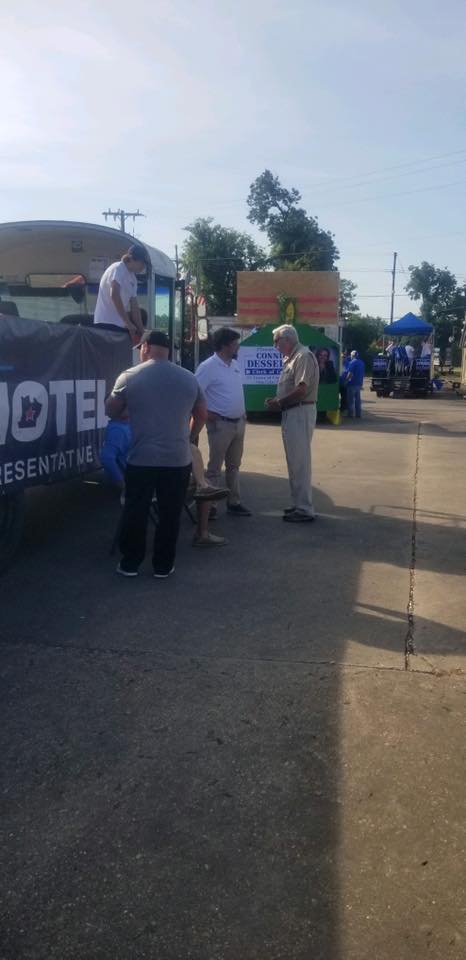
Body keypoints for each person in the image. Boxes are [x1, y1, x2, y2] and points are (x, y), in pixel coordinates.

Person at [106, 330, 208, 578]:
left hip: (142, 459)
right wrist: (188, 437)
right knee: (170, 513)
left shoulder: (129, 376)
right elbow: (202, 414)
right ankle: (163, 565)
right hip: (177, 458)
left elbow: (111, 410)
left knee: (136, 510)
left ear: (145, 347)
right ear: (169, 351)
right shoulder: (188, 378)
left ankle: (131, 563)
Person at [265, 324, 319, 523]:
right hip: (292, 412)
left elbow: (301, 389)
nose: (275, 346)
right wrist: (279, 401)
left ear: (287, 339)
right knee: (294, 461)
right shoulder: (293, 357)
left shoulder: (302, 356)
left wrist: (279, 402)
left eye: (276, 341)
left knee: (300, 462)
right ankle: (298, 504)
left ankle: (304, 509)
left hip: (300, 411)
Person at [195, 327, 251, 517]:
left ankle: (234, 502)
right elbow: (195, 394)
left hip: (238, 423)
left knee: (234, 466)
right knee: (214, 468)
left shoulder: (234, 364)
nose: (238, 347)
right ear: (225, 345)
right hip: (221, 424)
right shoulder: (208, 367)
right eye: (235, 343)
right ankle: (209, 507)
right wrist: (207, 414)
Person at [94, 245, 148, 341]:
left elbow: (134, 307)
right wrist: (128, 323)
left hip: (119, 327)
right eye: (142, 262)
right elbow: (114, 294)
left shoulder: (133, 279)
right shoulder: (117, 268)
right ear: (132, 259)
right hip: (105, 325)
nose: (143, 266)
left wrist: (142, 331)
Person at [345, 350, 365, 419]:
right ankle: (358, 414)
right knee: (358, 400)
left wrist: (346, 381)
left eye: (351, 355)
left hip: (352, 383)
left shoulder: (352, 362)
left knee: (350, 400)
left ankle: (350, 414)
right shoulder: (361, 363)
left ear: (352, 356)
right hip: (359, 384)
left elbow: (350, 373)